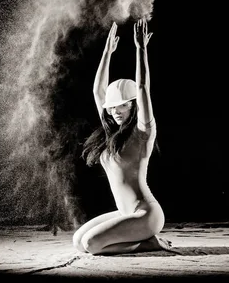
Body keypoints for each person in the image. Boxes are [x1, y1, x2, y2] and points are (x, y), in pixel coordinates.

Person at [72, 18, 171, 255]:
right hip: (126, 212)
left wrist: (141, 49)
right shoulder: (111, 131)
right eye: (112, 107)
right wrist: (107, 52)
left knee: (92, 245)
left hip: (145, 214)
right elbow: (98, 91)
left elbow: (142, 88)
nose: (115, 111)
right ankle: (143, 241)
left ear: (133, 106)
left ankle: (148, 242)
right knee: (78, 241)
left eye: (122, 106)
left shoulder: (143, 132)